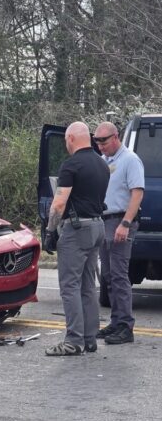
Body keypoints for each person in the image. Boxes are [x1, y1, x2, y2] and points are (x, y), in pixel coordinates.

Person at [43, 121, 109, 356]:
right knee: (88, 285)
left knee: (69, 285)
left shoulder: (71, 165)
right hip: (98, 226)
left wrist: (50, 232)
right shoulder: (102, 164)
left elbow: (59, 202)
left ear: (71, 138)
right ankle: (89, 338)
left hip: (77, 229)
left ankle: (73, 340)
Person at [94, 121, 145, 345]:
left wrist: (125, 223)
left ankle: (125, 326)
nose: (100, 146)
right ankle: (116, 322)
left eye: (103, 141)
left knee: (119, 274)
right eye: (96, 142)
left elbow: (137, 193)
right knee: (108, 276)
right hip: (105, 221)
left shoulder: (130, 160)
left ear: (116, 137)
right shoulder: (105, 162)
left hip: (121, 220)